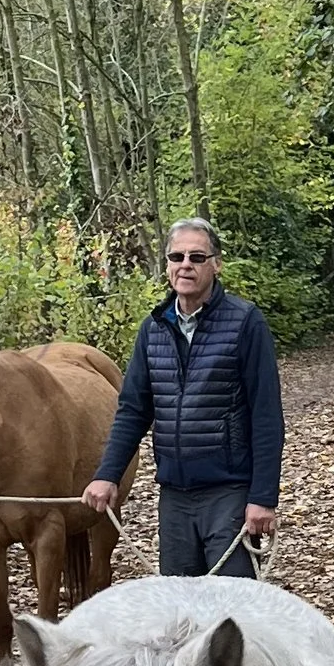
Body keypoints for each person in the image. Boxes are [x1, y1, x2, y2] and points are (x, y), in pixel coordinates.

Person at [85, 219, 285, 579]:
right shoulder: (153, 329)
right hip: (174, 497)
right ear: (167, 265)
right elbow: (133, 410)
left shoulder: (245, 323)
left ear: (216, 263)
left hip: (229, 494)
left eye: (196, 256)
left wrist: (263, 498)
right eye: (177, 256)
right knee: (181, 613)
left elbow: (267, 416)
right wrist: (107, 475)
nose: (185, 264)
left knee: (231, 612)